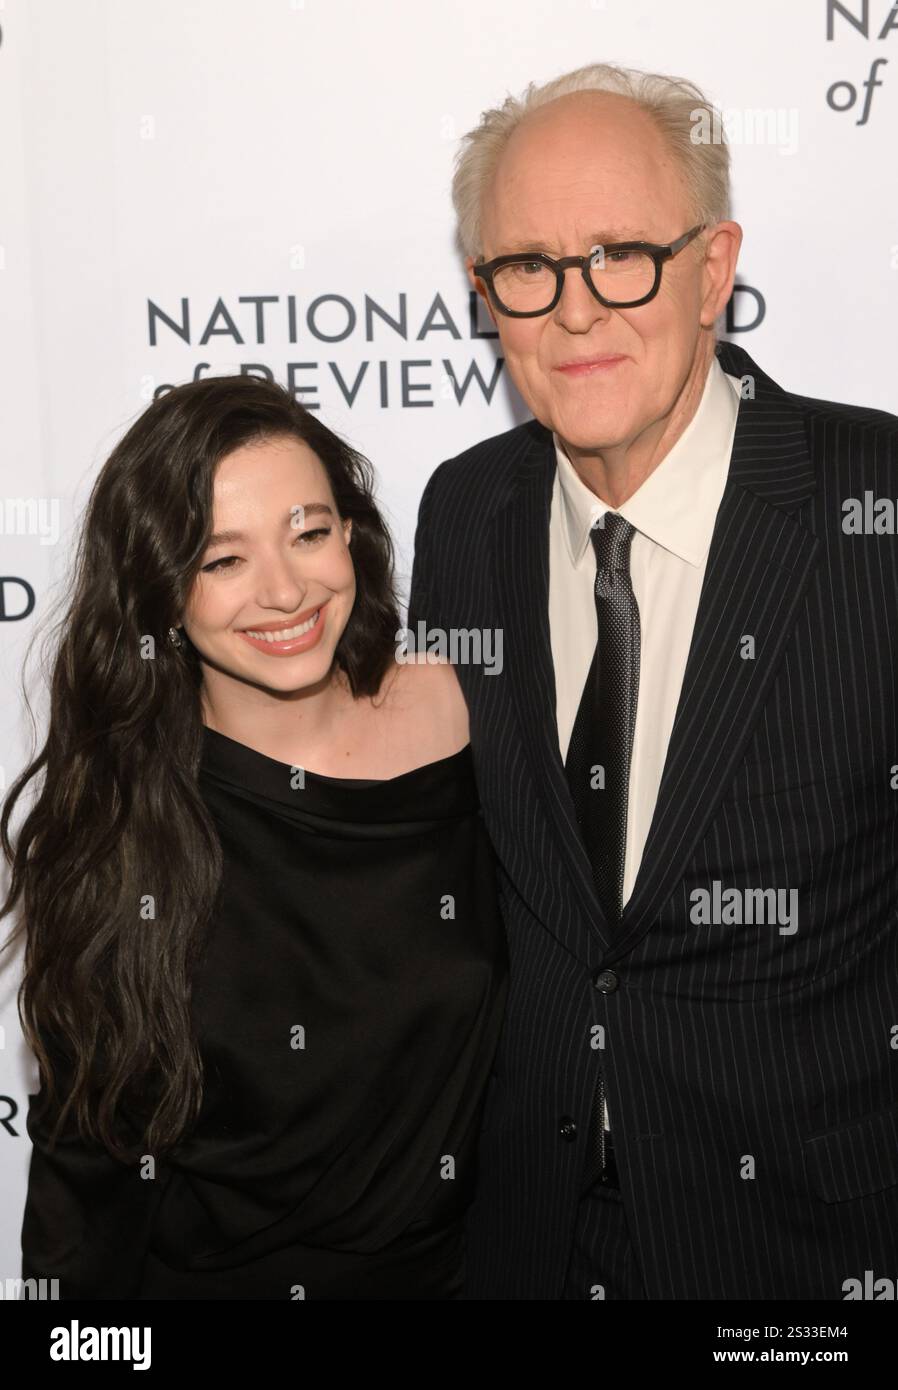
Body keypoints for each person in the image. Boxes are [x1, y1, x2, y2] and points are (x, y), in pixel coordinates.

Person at [408, 61, 898, 1299]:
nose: (575, 311)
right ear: (486, 295)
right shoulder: (464, 513)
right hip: (524, 1243)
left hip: (810, 1253)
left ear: (714, 267)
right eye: (527, 266)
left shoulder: (870, 504)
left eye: (622, 252)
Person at [1, 374, 507, 1300]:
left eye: (309, 533)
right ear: (162, 589)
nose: (284, 591)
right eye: (222, 559)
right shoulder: (122, 833)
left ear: (350, 535)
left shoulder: (457, 711)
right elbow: (86, 1194)